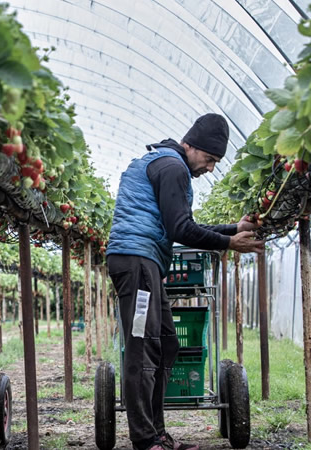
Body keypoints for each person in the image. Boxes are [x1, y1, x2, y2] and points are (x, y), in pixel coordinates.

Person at [106, 113, 265, 450]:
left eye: (216, 161)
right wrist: (229, 242)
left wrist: (233, 229)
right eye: (209, 158)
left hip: (145, 262)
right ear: (190, 145)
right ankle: (145, 439)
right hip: (135, 261)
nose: (210, 167)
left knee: (166, 344)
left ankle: (157, 433)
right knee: (143, 346)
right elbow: (181, 229)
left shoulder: (167, 164)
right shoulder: (172, 167)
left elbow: (181, 223)